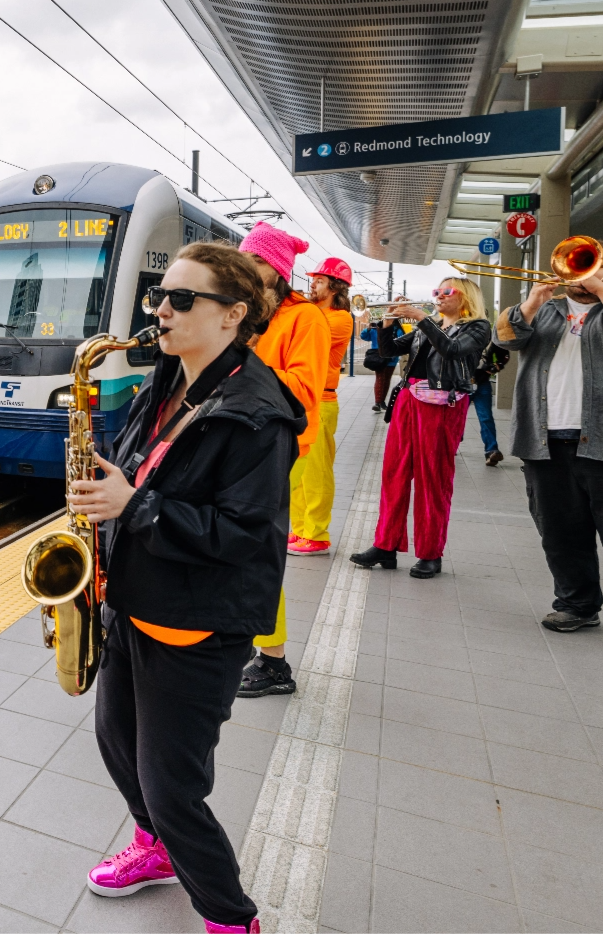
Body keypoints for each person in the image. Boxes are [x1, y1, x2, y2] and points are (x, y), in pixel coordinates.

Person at [70, 241, 301, 934]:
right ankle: (154, 851)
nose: (159, 311)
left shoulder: (260, 414)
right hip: (136, 601)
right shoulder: (169, 380)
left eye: (179, 299)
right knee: (116, 744)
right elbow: (143, 467)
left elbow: (241, 534)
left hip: (199, 620)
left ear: (232, 315)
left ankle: (231, 919)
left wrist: (132, 505)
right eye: (157, 296)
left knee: (173, 786)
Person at [492, 242, 603, 663]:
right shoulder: (548, 311)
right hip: (546, 442)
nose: (580, 274)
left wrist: (601, 287)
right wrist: (534, 301)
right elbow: (504, 339)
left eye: (595, 266)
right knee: (560, 533)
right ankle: (577, 605)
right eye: (578, 265)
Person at [235, 221, 328, 696]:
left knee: (261, 551)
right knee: (242, 546)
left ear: (276, 269)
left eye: (254, 262)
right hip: (243, 442)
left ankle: (274, 662)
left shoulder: (305, 318)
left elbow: (304, 388)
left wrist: (245, 367)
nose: (245, 268)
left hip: (279, 444)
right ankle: (250, 643)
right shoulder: (251, 313)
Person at [350, 279, 490, 578]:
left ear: (466, 297)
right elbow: (388, 351)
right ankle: (385, 545)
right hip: (408, 401)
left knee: (433, 479)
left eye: (446, 292)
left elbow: (452, 349)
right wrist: (388, 321)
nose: (438, 296)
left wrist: (421, 318)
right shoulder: (431, 325)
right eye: (436, 291)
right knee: (394, 473)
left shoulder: (477, 327)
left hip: (442, 406)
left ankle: (430, 553)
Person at [288, 257, 356, 555]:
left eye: (318, 279)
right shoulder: (312, 312)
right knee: (298, 470)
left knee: (317, 471)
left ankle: (317, 535)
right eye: (313, 278)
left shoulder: (340, 318)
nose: (311, 283)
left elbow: (301, 340)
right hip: (300, 399)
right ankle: (301, 528)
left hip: (322, 399)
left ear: (335, 285)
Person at [361, 314, 408, 411]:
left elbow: (402, 342)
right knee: (382, 379)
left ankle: (380, 402)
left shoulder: (387, 329)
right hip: (383, 358)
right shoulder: (378, 328)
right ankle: (378, 402)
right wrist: (368, 328)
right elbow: (364, 336)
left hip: (389, 359)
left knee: (385, 379)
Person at [473, 344, 509, 467]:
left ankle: (492, 451)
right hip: (460, 384)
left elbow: (504, 353)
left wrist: (497, 366)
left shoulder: (489, 339)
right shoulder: (458, 332)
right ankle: (452, 445)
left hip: (482, 382)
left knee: (486, 417)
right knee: (456, 419)